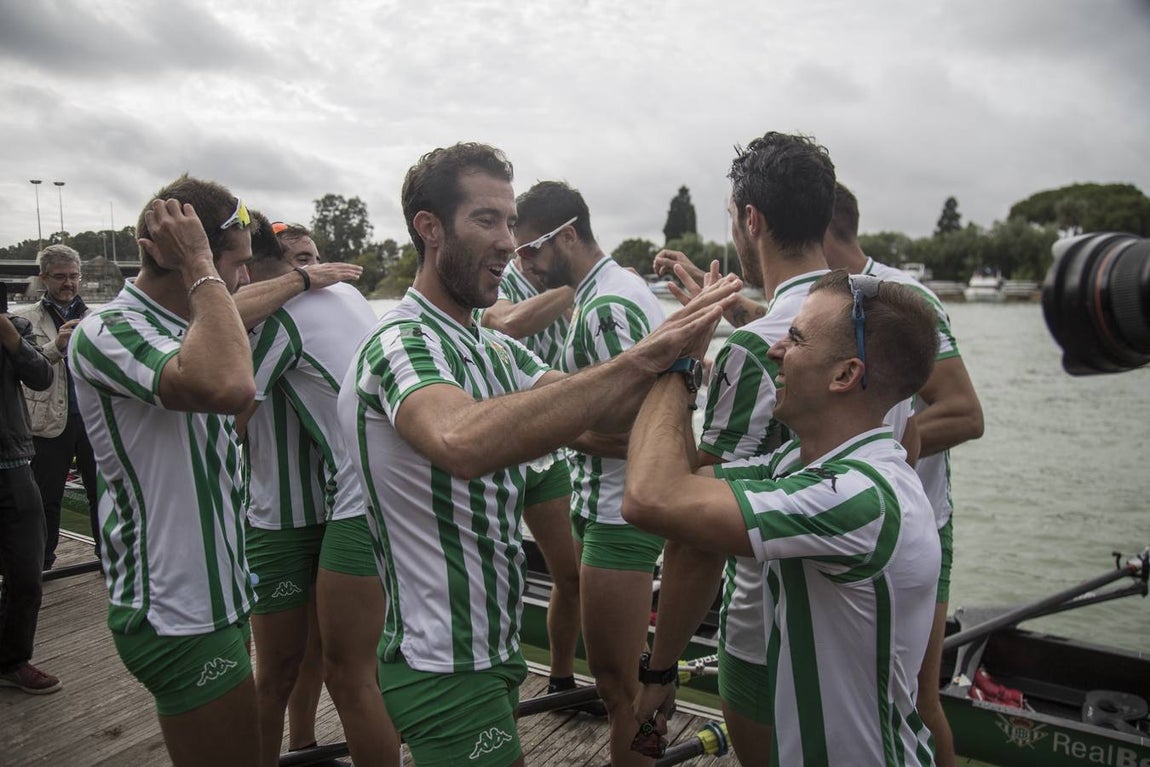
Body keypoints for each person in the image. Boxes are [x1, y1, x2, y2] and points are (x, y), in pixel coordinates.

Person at [337, 141, 741, 767]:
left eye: (509, 221)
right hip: (441, 661)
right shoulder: (401, 341)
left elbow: (597, 409)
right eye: (486, 219)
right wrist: (647, 358)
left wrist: (680, 358)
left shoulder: (489, 347)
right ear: (429, 229)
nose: (507, 243)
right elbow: (460, 441)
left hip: (487, 655)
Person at [68, 175, 360, 767]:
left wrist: (213, 276)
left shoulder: (193, 330)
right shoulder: (109, 330)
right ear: (174, 255)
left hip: (218, 596)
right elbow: (231, 387)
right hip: (175, 609)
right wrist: (203, 264)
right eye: (236, 264)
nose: (244, 279)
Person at [625, 269, 941, 766]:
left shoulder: (858, 497)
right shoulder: (798, 465)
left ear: (845, 375)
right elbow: (680, 491)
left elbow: (649, 497)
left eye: (794, 338)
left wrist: (677, 361)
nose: (775, 350)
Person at [645, 131, 836, 765]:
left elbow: (696, 534)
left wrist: (661, 665)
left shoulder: (753, 352)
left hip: (770, 634)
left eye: (732, 218)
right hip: (864, 615)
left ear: (750, 219)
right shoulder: (880, 315)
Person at [823, 182, 984, 767]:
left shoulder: (905, 297)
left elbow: (966, 413)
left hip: (917, 525)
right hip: (849, 525)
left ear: (821, 232)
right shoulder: (828, 300)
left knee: (916, 697)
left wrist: (891, 445)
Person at [514, 180, 666, 764]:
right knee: (622, 680)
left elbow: (638, 429)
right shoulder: (611, 288)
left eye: (530, 249)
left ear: (568, 235)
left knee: (617, 683)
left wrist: (546, 422)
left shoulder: (605, 308)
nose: (522, 263)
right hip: (607, 502)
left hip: (617, 511)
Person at [243, 214, 398, 767]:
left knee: (331, 666)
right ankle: (299, 748)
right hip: (282, 513)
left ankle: (302, 747)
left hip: (341, 503)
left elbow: (227, 413)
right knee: (286, 665)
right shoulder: (346, 295)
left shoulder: (278, 318)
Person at [478, 261, 589, 707]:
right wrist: (575, 280)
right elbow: (507, 322)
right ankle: (486, 685)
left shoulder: (560, 291)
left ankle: (561, 680)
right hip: (496, 449)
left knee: (572, 574)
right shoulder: (502, 277)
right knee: (494, 577)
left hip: (545, 455)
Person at [15, 244, 96, 569]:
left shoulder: (95, 317)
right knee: (46, 498)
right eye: (60, 277)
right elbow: (24, 367)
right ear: (43, 278)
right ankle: (44, 563)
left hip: (92, 420)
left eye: (74, 276)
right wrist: (56, 345)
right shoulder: (25, 319)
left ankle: (108, 558)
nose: (69, 283)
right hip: (48, 421)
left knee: (101, 495)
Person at [0, 305, 56, 694]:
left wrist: (11, 339)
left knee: (26, 572)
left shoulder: (14, 325)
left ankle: (12, 659)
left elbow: (41, 376)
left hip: (12, 462)